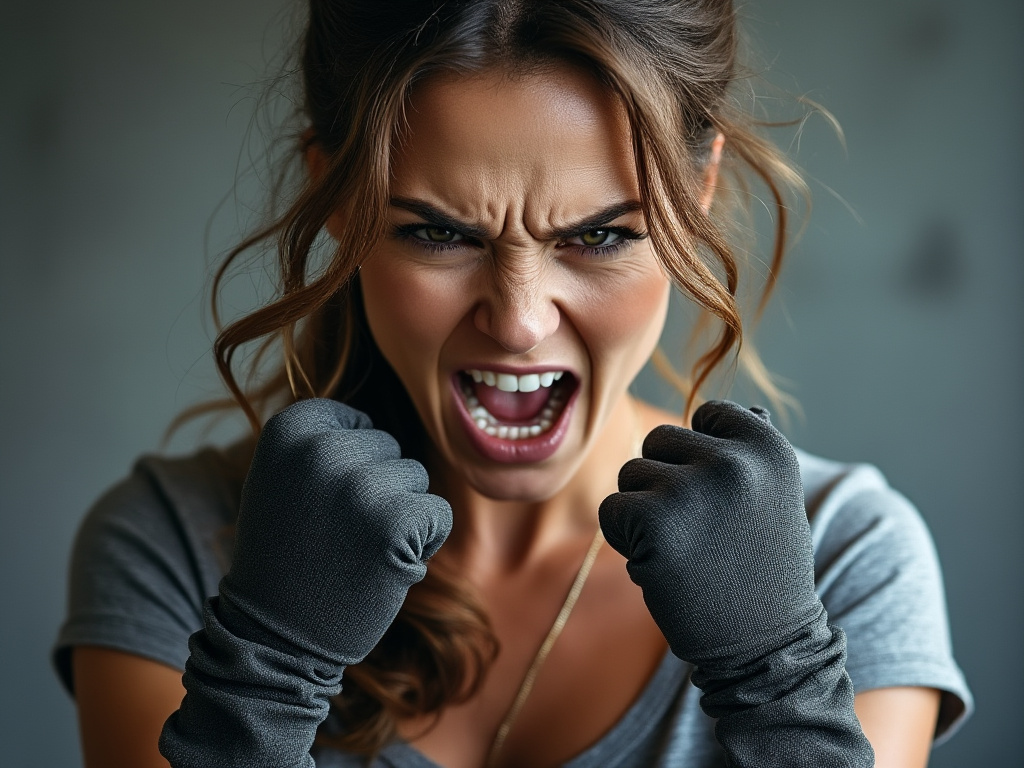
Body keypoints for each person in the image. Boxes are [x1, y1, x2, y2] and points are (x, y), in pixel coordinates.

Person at [53, 1, 973, 766]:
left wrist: (781, 681)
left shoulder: (847, 558)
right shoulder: (178, 546)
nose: (520, 317)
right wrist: (265, 669)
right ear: (336, 201)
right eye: (439, 233)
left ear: (698, 195)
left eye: (601, 235)